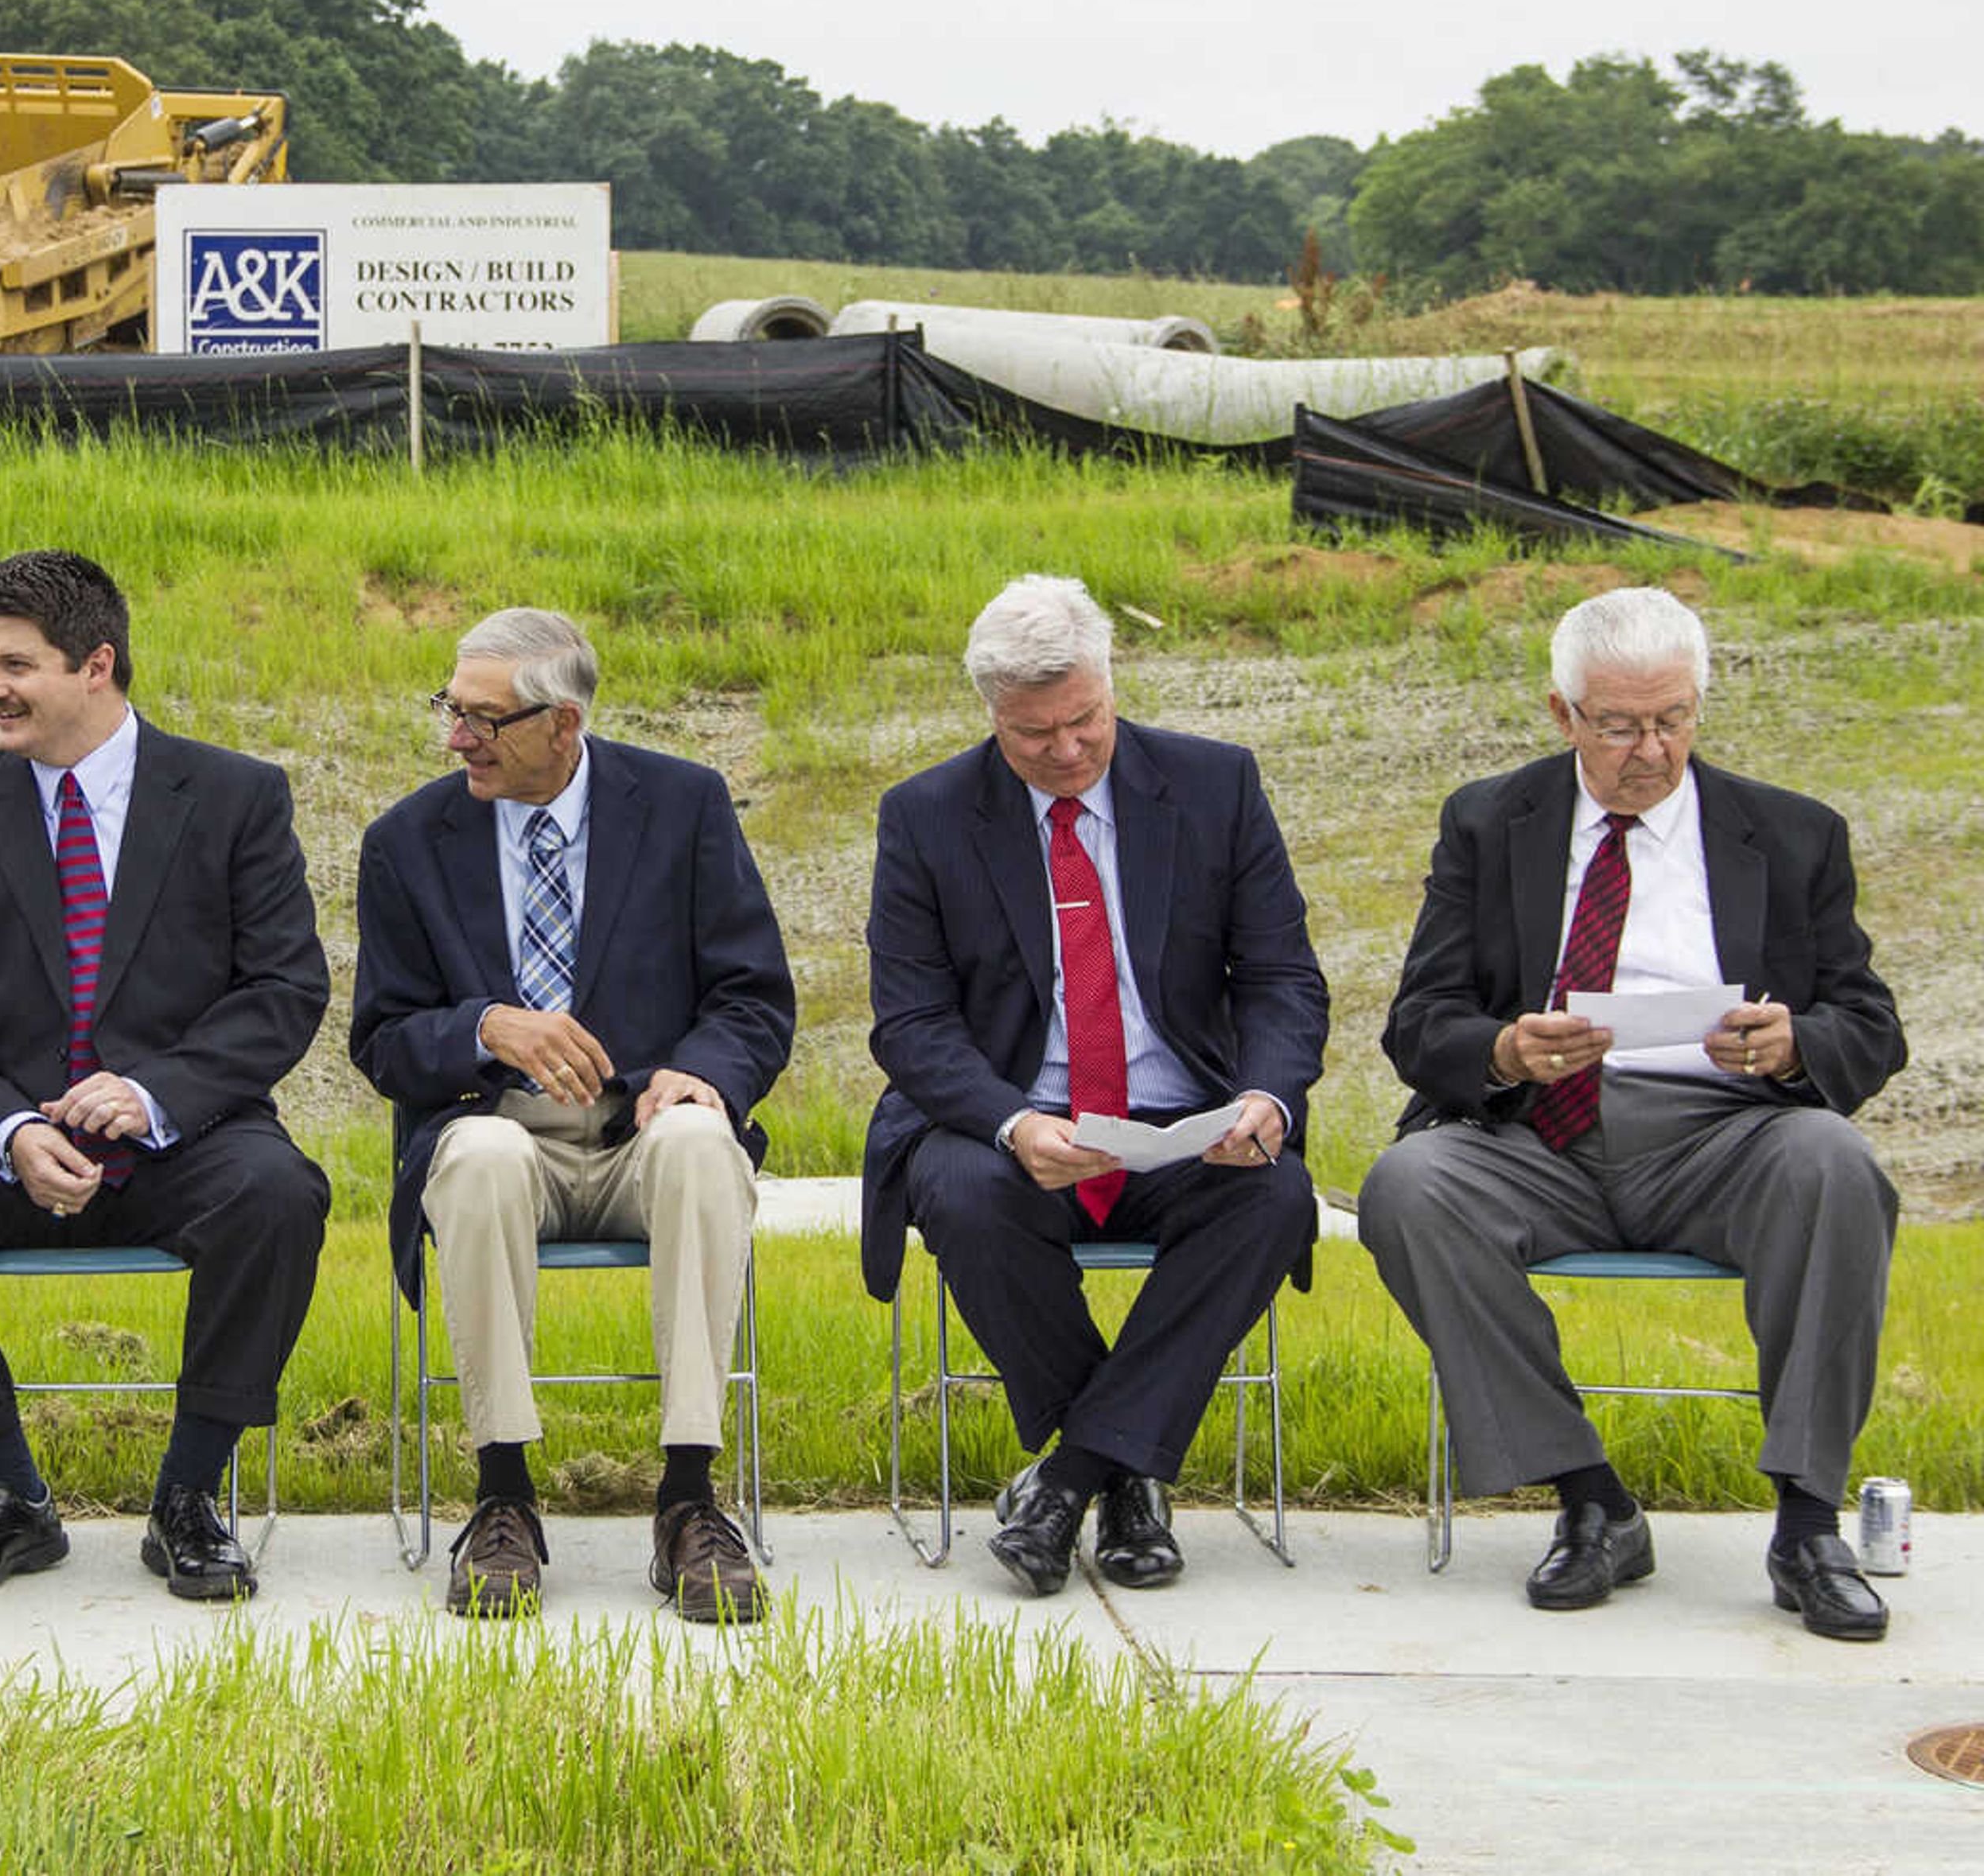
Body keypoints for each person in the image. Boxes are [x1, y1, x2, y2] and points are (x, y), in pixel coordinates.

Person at [1359, 586, 1905, 1641]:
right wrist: (1505, 1049)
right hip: (1538, 1136)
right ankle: (1590, 1498)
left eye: (1673, 719)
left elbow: (1871, 1028)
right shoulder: (1488, 820)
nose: (1651, 750)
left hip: (1727, 1136)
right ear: (1564, 715)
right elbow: (1419, 1021)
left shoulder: (1792, 834)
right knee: (1409, 1187)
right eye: (1619, 726)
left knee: (1835, 1162)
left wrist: (1795, 1043)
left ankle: (1807, 1522)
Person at [0, 550, 329, 1605]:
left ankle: (190, 1494)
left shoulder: (236, 797)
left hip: (180, 1138)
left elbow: (283, 990)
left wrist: (153, 1094)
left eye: (16, 663)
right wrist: (9, 1128)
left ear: (97, 663)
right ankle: (8, 1495)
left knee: (280, 1194)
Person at [860, 573, 1326, 1597]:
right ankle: (1128, 1482)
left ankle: (1071, 1475)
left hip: (1181, 1113)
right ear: (991, 714)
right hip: (1009, 1114)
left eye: (1086, 721)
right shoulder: (928, 816)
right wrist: (1016, 1120)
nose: (1068, 752)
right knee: (967, 1194)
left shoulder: (1215, 784)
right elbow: (912, 1024)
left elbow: (1283, 977)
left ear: (1112, 686)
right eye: (1036, 736)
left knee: (1275, 1193)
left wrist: (1266, 1099)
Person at [353, 608, 795, 1624]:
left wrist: (702, 1075)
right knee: (481, 1159)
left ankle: (689, 1497)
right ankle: (503, 1494)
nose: (455, 738)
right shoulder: (408, 842)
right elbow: (381, 1038)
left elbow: (754, 996)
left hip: (644, 1130)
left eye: (483, 719)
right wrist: (486, 1027)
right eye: (449, 710)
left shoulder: (684, 806)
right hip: (496, 1126)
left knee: (698, 1142)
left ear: (565, 722)